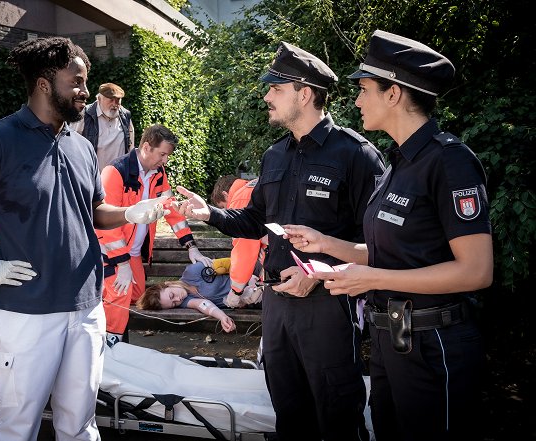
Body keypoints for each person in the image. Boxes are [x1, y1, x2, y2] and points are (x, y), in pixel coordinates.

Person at [0, 37, 169, 441]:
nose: (85, 92)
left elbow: (93, 211)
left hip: (86, 306)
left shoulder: (82, 147)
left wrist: (129, 213)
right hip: (28, 311)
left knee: (80, 422)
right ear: (44, 84)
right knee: (17, 425)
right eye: (78, 82)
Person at [284, 30, 492, 441]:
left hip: (435, 345)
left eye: (363, 89)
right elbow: (386, 253)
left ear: (393, 94)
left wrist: (373, 279)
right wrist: (326, 245)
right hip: (390, 342)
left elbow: (476, 271)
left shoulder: (449, 161)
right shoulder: (398, 163)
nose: (356, 100)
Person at [174, 41, 386, 440]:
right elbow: (255, 221)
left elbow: (377, 244)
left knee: (338, 416)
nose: (266, 96)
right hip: (276, 306)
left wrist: (322, 273)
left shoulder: (357, 155)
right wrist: (210, 214)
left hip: (329, 305)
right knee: (289, 414)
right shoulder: (275, 156)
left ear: (304, 94)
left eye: (276, 88)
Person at [97, 123, 213, 345]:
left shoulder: (158, 173)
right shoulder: (115, 172)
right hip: (112, 254)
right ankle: (108, 349)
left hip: (132, 255)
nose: (165, 161)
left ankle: (108, 337)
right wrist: (121, 265)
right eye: (162, 154)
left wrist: (191, 247)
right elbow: (105, 224)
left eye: (167, 156)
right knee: (119, 295)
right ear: (146, 147)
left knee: (138, 295)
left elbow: (171, 209)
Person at [210, 175, 266, 308]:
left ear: (225, 195)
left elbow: (244, 248)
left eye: (224, 208)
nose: (226, 214)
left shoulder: (240, 198)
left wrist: (236, 291)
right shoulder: (255, 186)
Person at [136, 261, 237, 333]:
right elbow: (202, 304)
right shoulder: (185, 301)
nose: (178, 299)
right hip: (246, 301)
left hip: (248, 280)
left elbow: (231, 263)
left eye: (172, 295)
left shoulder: (193, 272)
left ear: (168, 284)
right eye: (173, 304)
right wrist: (222, 317)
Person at [72, 82, 134, 169]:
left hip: (118, 176)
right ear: (99, 99)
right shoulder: (84, 115)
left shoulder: (125, 116)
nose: (115, 104)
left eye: (118, 100)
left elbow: (130, 147)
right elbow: (72, 146)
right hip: (91, 175)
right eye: (111, 100)